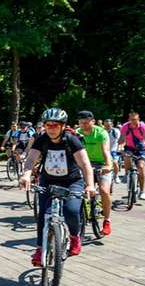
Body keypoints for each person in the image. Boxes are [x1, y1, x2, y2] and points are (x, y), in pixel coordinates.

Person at [19, 108, 95, 266]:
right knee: (43, 215)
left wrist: (90, 185)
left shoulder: (71, 139)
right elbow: (31, 159)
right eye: (48, 125)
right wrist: (26, 174)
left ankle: (75, 237)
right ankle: (40, 249)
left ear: (62, 126)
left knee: (71, 210)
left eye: (55, 125)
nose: (51, 128)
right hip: (48, 180)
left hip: (72, 181)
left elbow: (85, 164)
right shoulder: (42, 139)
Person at [77, 111, 114, 236]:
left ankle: (107, 221)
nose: (84, 125)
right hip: (84, 163)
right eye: (81, 123)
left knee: (104, 191)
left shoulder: (101, 133)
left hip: (102, 164)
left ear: (92, 121)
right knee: (76, 189)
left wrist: (108, 165)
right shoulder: (77, 133)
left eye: (86, 122)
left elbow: (106, 151)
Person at [118, 111, 145, 200]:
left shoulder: (143, 126)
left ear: (138, 119)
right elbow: (122, 139)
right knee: (127, 156)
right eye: (132, 119)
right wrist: (120, 147)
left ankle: (142, 192)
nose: (134, 121)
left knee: (141, 167)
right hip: (129, 147)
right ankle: (126, 174)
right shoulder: (125, 126)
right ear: (129, 119)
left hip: (141, 149)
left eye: (136, 119)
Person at [103, 119, 122, 184]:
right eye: (106, 125)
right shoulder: (102, 131)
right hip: (104, 149)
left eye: (109, 125)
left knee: (114, 162)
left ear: (112, 125)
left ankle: (116, 176)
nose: (107, 126)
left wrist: (119, 149)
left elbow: (119, 141)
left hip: (114, 149)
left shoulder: (116, 131)